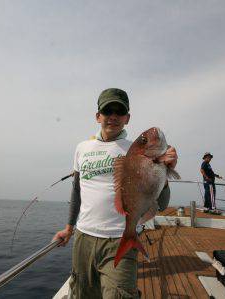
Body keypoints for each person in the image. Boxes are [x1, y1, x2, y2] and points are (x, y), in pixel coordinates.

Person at [53, 88, 178, 298]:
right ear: (97, 116)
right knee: (82, 293)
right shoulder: (82, 148)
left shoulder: (134, 150)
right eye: (107, 110)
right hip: (83, 238)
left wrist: (165, 171)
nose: (113, 116)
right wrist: (68, 228)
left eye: (119, 111)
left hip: (120, 237)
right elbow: (77, 190)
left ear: (127, 118)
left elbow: (162, 203)